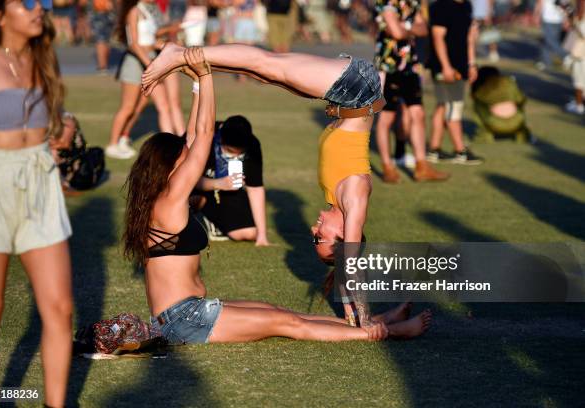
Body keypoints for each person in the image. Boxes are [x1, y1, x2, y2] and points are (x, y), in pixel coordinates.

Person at [125, 47, 432, 345]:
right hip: (184, 320)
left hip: (189, 313)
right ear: (165, 167)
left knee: (282, 314)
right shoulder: (170, 199)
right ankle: (382, 332)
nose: (190, 160)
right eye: (183, 158)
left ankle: (377, 323)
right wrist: (204, 75)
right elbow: (202, 137)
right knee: (287, 324)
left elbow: (193, 140)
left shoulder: (164, 196)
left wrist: (195, 81)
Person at [0, 0, 73, 406]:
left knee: (61, 309)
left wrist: (65, 128)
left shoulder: (42, 57)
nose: (39, 9)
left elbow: (55, 113)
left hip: (40, 180)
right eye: (26, 2)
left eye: (41, 3)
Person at [373, 0, 449, 183]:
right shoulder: (385, 2)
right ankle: (387, 167)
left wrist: (404, 27)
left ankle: (421, 166)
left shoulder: (413, 2)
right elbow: (396, 33)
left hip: (410, 67)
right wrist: (410, 27)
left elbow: (423, 29)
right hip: (388, 67)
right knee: (386, 118)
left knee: (418, 113)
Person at [107, 0, 185, 159]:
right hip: (136, 61)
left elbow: (151, 39)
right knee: (128, 106)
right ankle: (112, 145)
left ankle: (128, 138)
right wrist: (150, 65)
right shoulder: (134, 11)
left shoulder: (150, 10)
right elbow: (134, 44)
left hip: (150, 60)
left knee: (151, 105)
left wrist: (169, 46)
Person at [192, 115, 270, 245]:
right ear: (221, 139)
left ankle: (212, 218)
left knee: (249, 233)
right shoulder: (204, 135)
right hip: (193, 189)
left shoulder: (252, 145)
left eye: (240, 153)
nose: (235, 157)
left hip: (227, 191)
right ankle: (198, 210)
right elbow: (186, 179)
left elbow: (255, 188)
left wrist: (262, 236)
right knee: (190, 201)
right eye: (229, 151)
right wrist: (218, 183)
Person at [426, 0, 484, 165]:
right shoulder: (440, 6)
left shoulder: (466, 6)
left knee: (443, 105)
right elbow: (437, 37)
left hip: (460, 65)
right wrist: (446, 67)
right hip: (445, 66)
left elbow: (469, 38)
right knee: (454, 106)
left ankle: (434, 150)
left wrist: (472, 63)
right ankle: (460, 151)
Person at [471, 66, 530, 142]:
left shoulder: (482, 88)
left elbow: (476, 98)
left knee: (478, 105)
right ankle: (522, 135)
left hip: (493, 123)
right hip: (517, 121)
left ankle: (484, 136)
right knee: (519, 104)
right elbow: (521, 99)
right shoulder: (509, 82)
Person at [534, 0, 568, 71]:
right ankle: (546, 62)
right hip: (551, 19)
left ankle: (565, 56)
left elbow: (539, 3)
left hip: (552, 19)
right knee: (547, 41)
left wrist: (536, 15)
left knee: (550, 41)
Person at [564, 0, 585, 115]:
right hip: (580, 53)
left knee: (579, 81)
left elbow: (582, 34)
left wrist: (573, 17)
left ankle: (579, 106)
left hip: (581, 54)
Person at [89, 0, 116, 73]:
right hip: (101, 9)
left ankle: (102, 66)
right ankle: (103, 66)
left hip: (101, 10)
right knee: (103, 39)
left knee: (102, 39)